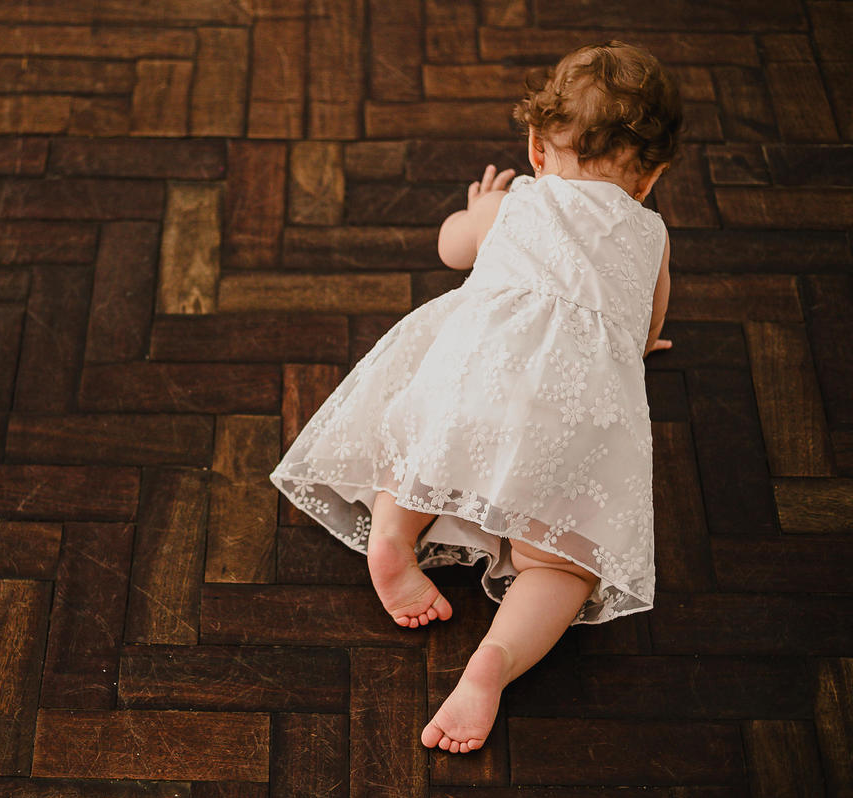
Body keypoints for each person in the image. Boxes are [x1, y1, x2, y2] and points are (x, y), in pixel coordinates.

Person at [269, 40, 683, 753]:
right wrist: (633, 348)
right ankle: (493, 663)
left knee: (425, 441)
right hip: (577, 411)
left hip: (478, 379)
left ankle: (395, 539)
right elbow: (650, 319)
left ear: (535, 148)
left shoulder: (519, 200)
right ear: (651, 180)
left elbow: (451, 250)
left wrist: (480, 210)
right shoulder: (651, 233)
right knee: (563, 562)